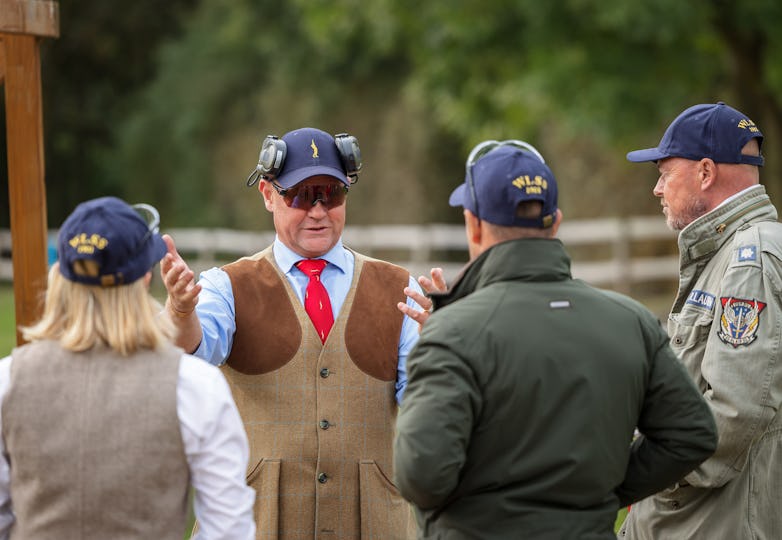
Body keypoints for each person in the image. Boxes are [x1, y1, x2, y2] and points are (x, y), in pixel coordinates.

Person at [392, 140, 719, 539]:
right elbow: (692, 434)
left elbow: (420, 477)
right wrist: (604, 491)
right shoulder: (631, 321)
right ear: (556, 221)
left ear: (473, 224)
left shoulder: (451, 332)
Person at [161, 127, 422, 538]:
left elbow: (427, 403)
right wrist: (180, 309)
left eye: (331, 194)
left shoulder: (403, 288)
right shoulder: (225, 286)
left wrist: (446, 346)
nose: (318, 211)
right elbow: (193, 352)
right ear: (268, 194)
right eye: (300, 195)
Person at [0, 197, 255, 539]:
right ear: (146, 275)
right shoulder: (194, 386)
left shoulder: (9, 379)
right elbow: (228, 529)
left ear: (60, 276)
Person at [618, 102, 782, 538]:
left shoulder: (750, 261)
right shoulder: (730, 253)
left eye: (665, 172)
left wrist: (636, 471)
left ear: (705, 173)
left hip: (713, 523)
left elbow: (733, 414)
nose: (657, 188)